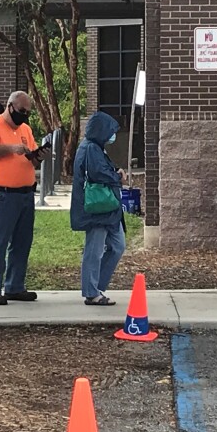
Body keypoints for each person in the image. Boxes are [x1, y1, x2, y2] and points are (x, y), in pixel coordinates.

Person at [0, 91, 49, 305]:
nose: (24, 116)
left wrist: (38, 156)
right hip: (2, 193)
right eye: (22, 111)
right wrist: (11, 148)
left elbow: (30, 159)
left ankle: (15, 285)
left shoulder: (26, 129)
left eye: (28, 113)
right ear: (10, 106)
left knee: (22, 242)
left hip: (25, 193)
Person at [70, 111, 125, 306]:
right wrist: (117, 177)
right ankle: (92, 291)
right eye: (110, 130)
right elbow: (98, 173)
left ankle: (95, 286)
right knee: (94, 250)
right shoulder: (91, 149)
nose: (112, 135)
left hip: (106, 209)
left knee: (118, 246)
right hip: (97, 209)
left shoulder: (94, 147)